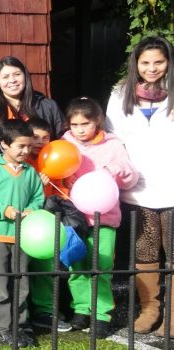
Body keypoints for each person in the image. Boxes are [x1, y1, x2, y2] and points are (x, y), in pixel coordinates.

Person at [106, 36, 174, 337]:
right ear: (136, 64)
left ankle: (173, 314)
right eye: (145, 62)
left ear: (168, 62)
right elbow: (111, 139)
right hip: (137, 189)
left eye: (158, 61)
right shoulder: (120, 94)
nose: (152, 68)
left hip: (171, 187)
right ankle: (150, 310)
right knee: (144, 253)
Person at [61, 97, 139, 338]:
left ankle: (101, 314)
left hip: (104, 217)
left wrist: (112, 171)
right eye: (74, 125)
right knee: (76, 266)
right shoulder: (65, 142)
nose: (79, 130)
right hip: (74, 217)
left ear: (97, 121)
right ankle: (82, 309)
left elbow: (130, 175)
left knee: (101, 266)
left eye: (85, 124)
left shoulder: (113, 144)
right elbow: (58, 171)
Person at [0, 119, 45, 347]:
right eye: (20, 146)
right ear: (4, 144)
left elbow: (38, 197)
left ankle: (20, 327)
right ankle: (1, 328)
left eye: (28, 146)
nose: (26, 151)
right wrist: (5, 211)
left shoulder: (30, 172)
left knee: (21, 284)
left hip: (23, 237)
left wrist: (33, 209)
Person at [22, 117, 73, 333]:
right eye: (35, 137)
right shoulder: (22, 163)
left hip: (47, 225)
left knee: (45, 268)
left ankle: (45, 312)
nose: (41, 142)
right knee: (21, 271)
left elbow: (61, 194)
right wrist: (36, 185)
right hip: (23, 223)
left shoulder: (53, 162)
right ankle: (20, 315)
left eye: (46, 137)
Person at [0, 56, 65, 161]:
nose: (12, 80)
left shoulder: (48, 106)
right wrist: (7, 161)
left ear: (25, 76)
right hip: (4, 172)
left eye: (17, 74)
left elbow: (63, 138)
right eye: (5, 77)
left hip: (44, 171)